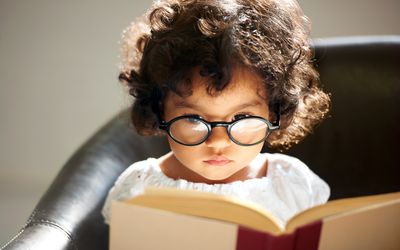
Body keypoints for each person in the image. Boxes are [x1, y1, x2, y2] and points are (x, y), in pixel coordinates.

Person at [102, 0, 331, 228]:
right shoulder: (139, 188)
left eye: (241, 118)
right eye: (194, 119)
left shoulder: (293, 184)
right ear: (159, 109)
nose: (218, 142)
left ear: (274, 111)